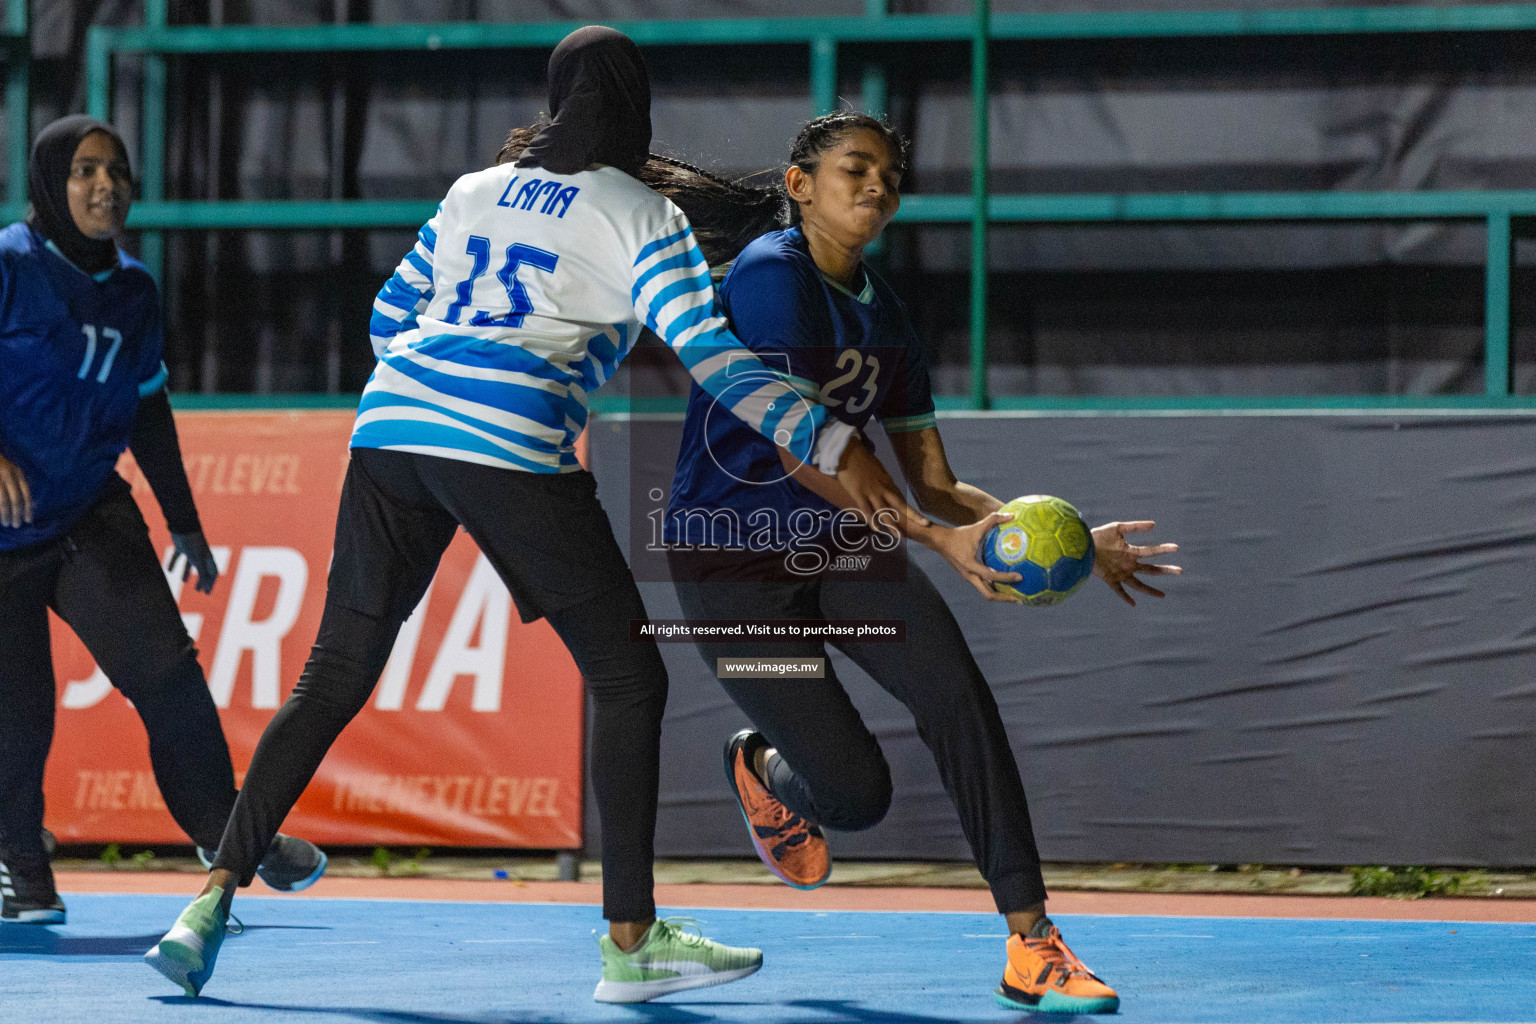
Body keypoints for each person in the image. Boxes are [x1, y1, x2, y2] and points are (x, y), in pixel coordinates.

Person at [145, 27, 915, 1003]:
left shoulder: (475, 188)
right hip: (508, 440)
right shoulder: (643, 212)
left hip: (390, 428)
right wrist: (829, 440)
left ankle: (207, 902)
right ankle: (630, 944)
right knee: (630, 676)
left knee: (333, 673)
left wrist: (464, 354)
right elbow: (714, 364)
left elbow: (388, 317)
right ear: (635, 105)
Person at [659, 112, 1182, 1013]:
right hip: (731, 562)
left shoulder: (885, 313)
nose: (875, 187)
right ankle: (767, 770)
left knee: (957, 697)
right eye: (854, 169)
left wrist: (1060, 539)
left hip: (839, 541)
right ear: (799, 186)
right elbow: (803, 451)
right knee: (857, 797)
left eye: (888, 177)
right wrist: (940, 542)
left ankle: (1033, 945)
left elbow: (935, 481)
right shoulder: (769, 278)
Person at [0, 116, 326, 924]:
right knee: (17, 715)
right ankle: (22, 876)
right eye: (84, 170)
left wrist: (183, 520)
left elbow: (148, 410)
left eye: (117, 171)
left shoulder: (136, 290)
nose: (105, 185)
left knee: (169, 676)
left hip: (85, 510)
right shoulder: (8, 263)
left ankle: (228, 836)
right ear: (49, 181)